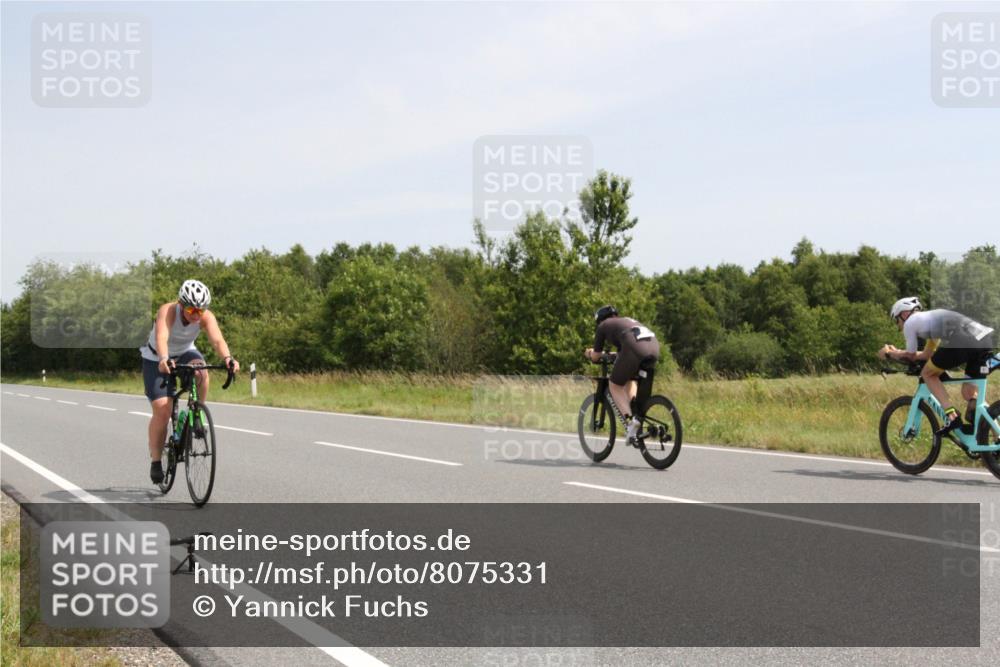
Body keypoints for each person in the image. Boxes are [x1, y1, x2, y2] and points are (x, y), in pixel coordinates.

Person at [140, 280, 239, 483]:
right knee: (163, 410)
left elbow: (217, 340)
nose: (196, 315)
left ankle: (197, 412)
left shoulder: (205, 317)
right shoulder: (168, 311)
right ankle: (156, 461)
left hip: (185, 352)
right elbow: (162, 337)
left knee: (201, 372)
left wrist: (228, 359)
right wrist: (164, 359)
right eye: (192, 309)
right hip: (156, 357)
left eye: (200, 310)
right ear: (181, 304)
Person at [879, 297, 995, 433]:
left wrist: (890, 353)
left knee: (927, 374)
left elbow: (910, 355)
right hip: (984, 339)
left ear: (904, 314)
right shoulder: (931, 321)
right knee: (969, 393)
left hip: (964, 340)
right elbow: (927, 354)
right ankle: (996, 434)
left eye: (897, 320)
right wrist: (897, 353)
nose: (898, 326)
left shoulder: (910, 323)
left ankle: (952, 417)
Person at [584, 305, 660, 444]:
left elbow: (595, 357)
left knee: (614, 385)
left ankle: (630, 422)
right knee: (629, 379)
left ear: (599, 320)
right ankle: (635, 413)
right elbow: (622, 352)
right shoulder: (626, 322)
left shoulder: (603, 326)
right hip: (654, 348)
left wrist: (589, 353)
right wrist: (611, 355)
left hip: (634, 349)